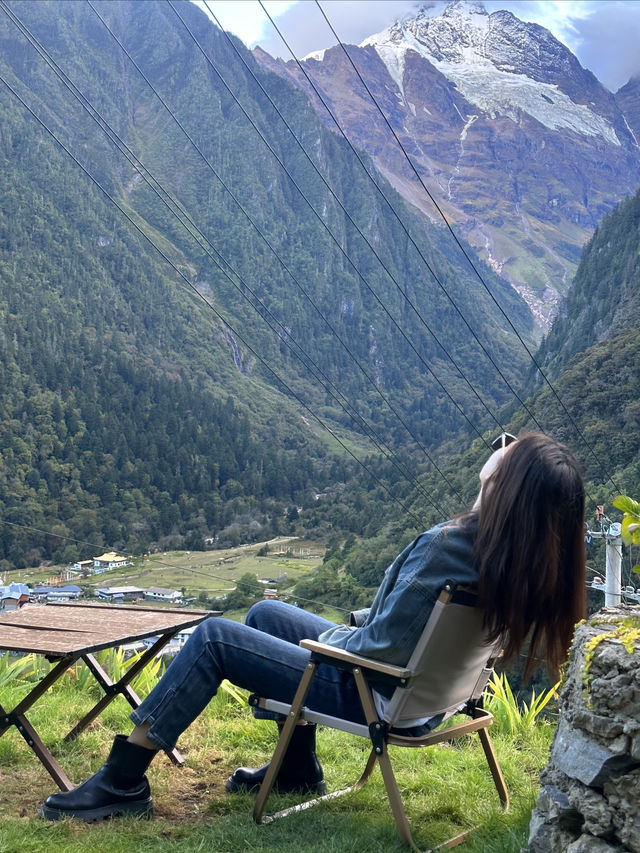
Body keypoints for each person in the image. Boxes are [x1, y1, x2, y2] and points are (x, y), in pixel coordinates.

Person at [39, 432, 586, 822]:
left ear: (509, 488)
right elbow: (416, 630)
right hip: (424, 698)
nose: (497, 451)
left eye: (506, 455)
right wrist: (343, 632)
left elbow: (379, 647)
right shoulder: (523, 564)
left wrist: (327, 639)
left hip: (371, 694)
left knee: (213, 636)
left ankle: (122, 780)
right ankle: (298, 767)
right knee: (264, 614)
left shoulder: (450, 544)